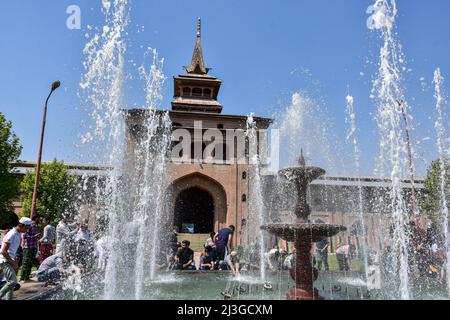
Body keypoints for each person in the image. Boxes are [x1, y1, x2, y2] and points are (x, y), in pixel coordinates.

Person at [0, 217, 32, 300]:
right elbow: (3, 251)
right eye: (27, 228)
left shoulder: (18, 233)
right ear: (22, 225)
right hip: (4, 260)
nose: (27, 230)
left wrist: (15, 261)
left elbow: (12, 250)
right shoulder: (12, 234)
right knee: (12, 282)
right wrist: (12, 262)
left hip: (9, 260)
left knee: (10, 283)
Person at [20, 214, 40, 282]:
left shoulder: (35, 226)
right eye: (39, 218)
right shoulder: (29, 225)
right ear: (36, 218)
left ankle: (27, 277)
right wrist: (34, 236)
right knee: (25, 262)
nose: (39, 220)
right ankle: (22, 278)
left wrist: (36, 237)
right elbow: (24, 236)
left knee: (30, 262)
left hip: (33, 246)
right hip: (27, 247)